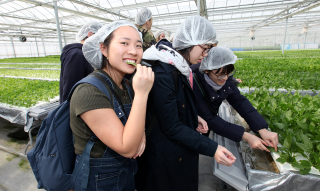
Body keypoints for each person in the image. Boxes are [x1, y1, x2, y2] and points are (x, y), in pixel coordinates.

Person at [135, 16, 236, 191]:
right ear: (190, 42)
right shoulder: (164, 73)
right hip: (163, 158)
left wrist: (193, 116)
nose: (205, 56)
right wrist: (213, 148)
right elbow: (171, 126)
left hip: (175, 152)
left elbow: (174, 104)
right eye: (204, 49)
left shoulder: (178, 65)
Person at [70, 21, 154, 190]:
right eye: (124, 43)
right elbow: (127, 148)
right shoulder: (89, 91)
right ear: (103, 49)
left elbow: (134, 123)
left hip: (125, 175)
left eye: (138, 45)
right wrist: (142, 94)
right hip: (98, 181)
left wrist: (141, 132)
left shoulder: (126, 84)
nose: (133, 51)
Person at [192, 46, 279, 152]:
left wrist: (262, 129)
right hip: (191, 125)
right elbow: (208, 118)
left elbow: (240, 102)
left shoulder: (225, 80)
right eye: (220, 75)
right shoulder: (194, 82)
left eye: (228, 74)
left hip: (205, 125)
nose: (224, 78)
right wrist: (246, 135)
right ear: (206, 70)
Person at [59, 21, 102, 103]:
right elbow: (70, 89)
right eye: (100, 39)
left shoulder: (85, 54)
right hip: (75, 109)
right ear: (90, 35)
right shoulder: (76, 55)